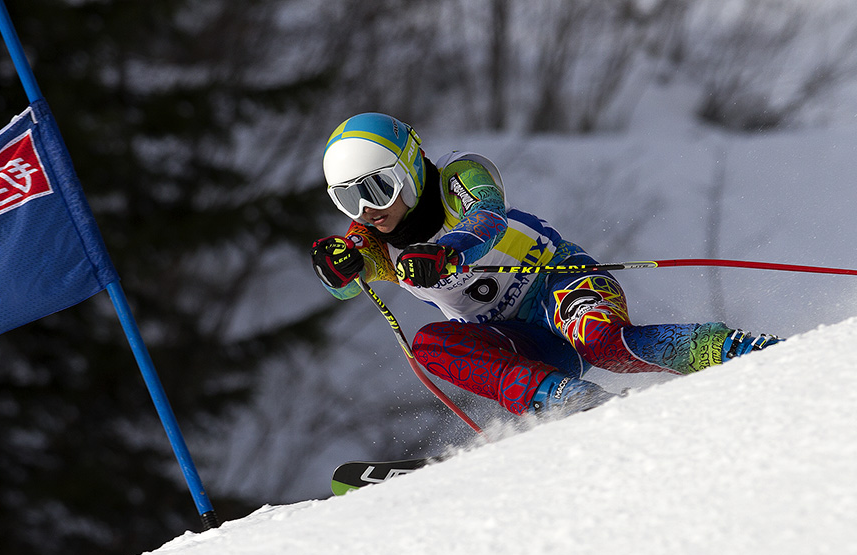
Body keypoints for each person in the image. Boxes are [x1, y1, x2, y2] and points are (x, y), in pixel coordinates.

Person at [310, 112, 780, 418]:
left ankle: (733, 349)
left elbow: (487, 216)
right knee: (431, 345)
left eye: (378, 189)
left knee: (604, 345)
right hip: (520, 339)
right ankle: (568, 402)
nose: (367, 210)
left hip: (560, 283)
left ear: (411, 167)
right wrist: (337, 270)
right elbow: (348, 283)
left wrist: (448, 252)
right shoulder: (372, 240)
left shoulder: (457, 175)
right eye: (348, 199)